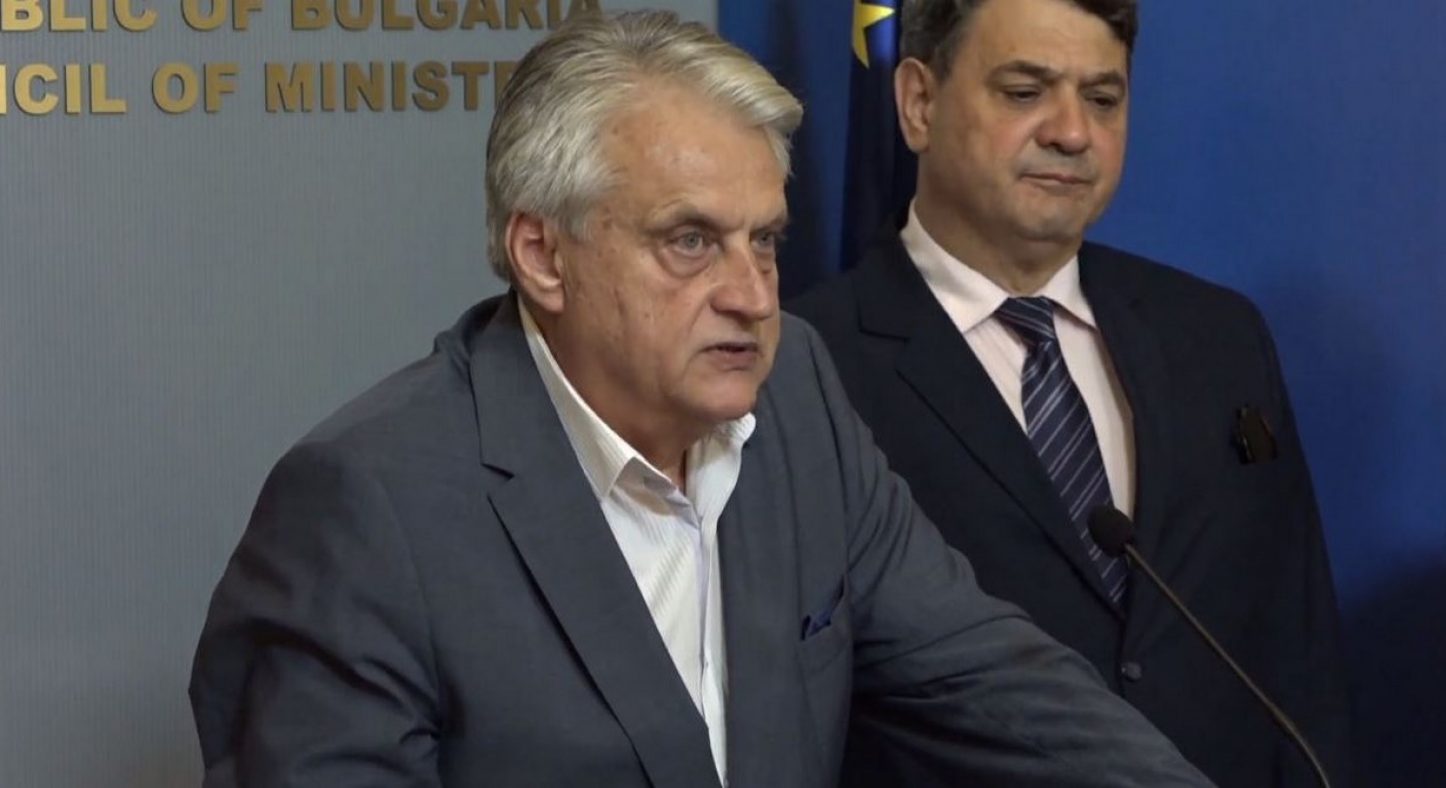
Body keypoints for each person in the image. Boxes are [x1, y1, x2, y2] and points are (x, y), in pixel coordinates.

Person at [189, 10, 1213, 787]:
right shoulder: (369, 507)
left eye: (764, 240)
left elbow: (985, 675)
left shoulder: (796, 390)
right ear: (542, 253)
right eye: (690, 241)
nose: (753, 294)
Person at [789, 0, 1354, 786]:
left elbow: (1300, 654)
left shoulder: (1219, 337)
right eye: (1025, 92)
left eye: (1102, 98)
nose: (1072, 132)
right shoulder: (806, 366)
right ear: (918, 102)